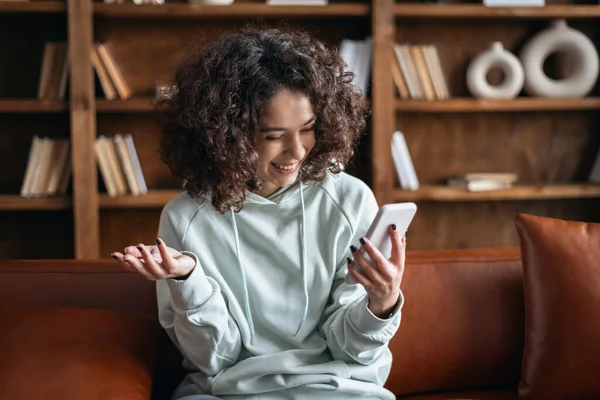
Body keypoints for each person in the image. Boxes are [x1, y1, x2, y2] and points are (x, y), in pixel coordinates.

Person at [110, 27, 406, 400]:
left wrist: (382, 304)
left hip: (336, 390)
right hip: (226, 394)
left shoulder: (350, 200)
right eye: (273, 136)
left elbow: (352, 351)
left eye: (309, 129)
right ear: (226, 135)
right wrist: (188, 279)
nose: (297, 151)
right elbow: (214, 359)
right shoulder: (185, 218)